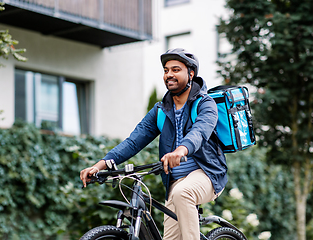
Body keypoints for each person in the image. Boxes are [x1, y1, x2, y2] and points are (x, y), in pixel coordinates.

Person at [80, 48, 228, 240]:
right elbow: (133, 142)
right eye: (166, 70)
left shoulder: (205, 104)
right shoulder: (160, 110)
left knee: (184, 193)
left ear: (190, 73)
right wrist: (100, 164)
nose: (169, 75)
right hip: (175, 183)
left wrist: (180, 151)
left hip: (208, 174)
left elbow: (199, 132)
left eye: (176, 69)